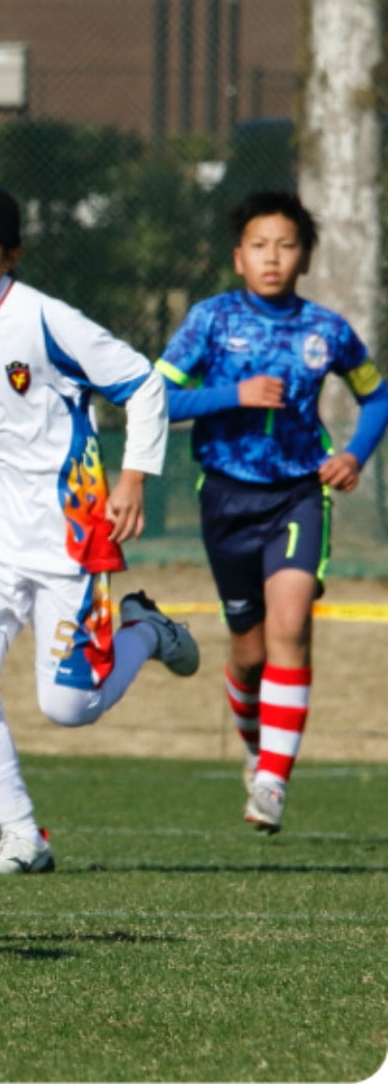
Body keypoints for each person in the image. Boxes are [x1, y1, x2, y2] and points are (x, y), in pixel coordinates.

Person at [0, 179, 200, 875]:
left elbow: (143, 384)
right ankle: (22, 835)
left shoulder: (44, 319)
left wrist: (134, 475)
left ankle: (144, 627)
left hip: (67, 529)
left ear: (10, 254)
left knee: (70, 707)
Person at [155, 191, 388, 835]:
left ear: (305, 256)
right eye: (260, 245)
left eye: (286, 246)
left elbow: (377, 395)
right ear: (239, 257)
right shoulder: (209, 320)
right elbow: (155, 399)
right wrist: (234, 394)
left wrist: (356, 454)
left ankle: (274, 782)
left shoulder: (327, 330)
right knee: (249, 655)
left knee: (291, 625)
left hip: (297, 494)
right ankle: (258, 747)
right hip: (226, 498)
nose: (273, 257)